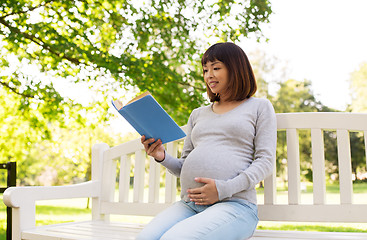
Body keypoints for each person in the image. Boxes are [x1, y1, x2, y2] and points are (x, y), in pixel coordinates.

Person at [137, 42, 277, 240]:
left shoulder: (259, 107)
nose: (208, 75)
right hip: (189, 205)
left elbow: (265, 161)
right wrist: (162, 157)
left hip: (235, 205)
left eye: (216, 68)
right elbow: (184, 166)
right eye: (205, 70)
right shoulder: (197, 114)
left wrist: (223, 189)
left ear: (236, 69)